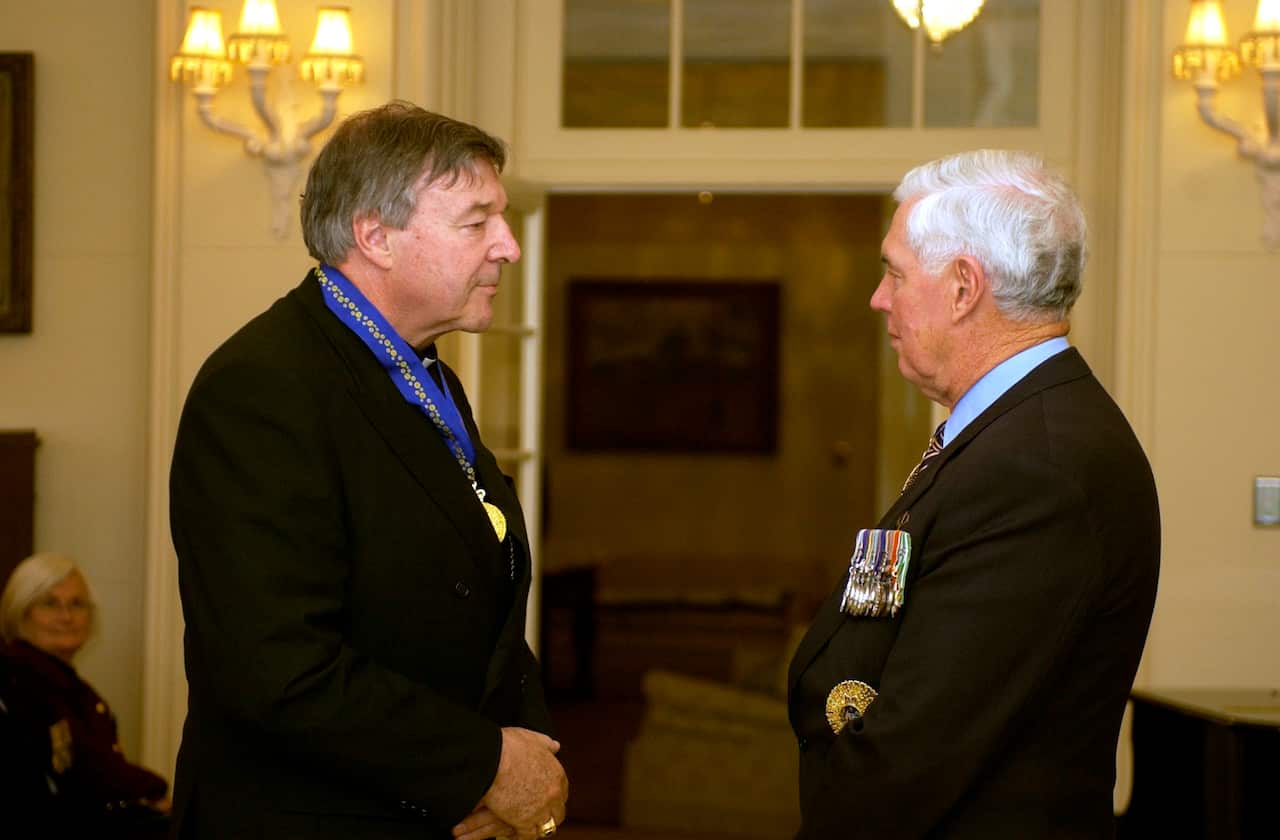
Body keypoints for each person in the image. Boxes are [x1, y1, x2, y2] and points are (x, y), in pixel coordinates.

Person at [168, 101, 567, 840]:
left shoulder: (419, 374)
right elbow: (276, 669)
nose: (509, 246)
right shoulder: (263, 388)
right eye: (477, 223)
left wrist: (526, 757)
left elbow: (482, 602)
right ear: (376, 238)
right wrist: (484, 764)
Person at [787, 150, 1160, 838]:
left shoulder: (1038, 466)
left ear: (963, 287)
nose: (878, 298)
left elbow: (914, 756)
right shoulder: (1015, 430)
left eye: (894, 272)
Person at [0, 553, 170, 837]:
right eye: (50, 603)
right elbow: (88, 771)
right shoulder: (16, 680)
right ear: (21, 611)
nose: (66, 617)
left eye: (77, 604)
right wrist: (155, 789)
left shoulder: (74, 688)